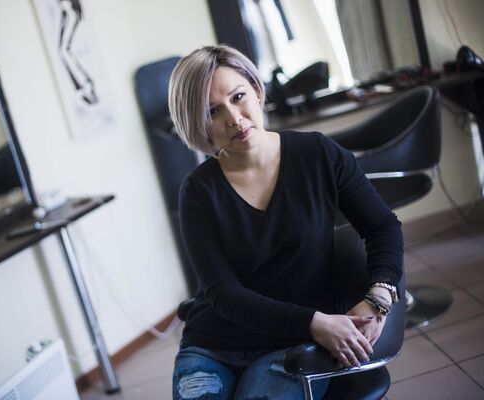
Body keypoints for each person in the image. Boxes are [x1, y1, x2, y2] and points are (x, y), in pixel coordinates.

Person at [168, 45, 403, 400]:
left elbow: (383, 227)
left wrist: (379, 296)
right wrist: (315, 322)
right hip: (213, 346)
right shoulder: (198, 191)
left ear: (256, 90)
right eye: (213, 111)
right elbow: (222, 293)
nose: (234, 118)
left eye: (238, 97)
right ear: (199, 124)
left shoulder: (319, 155)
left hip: (292, 345)